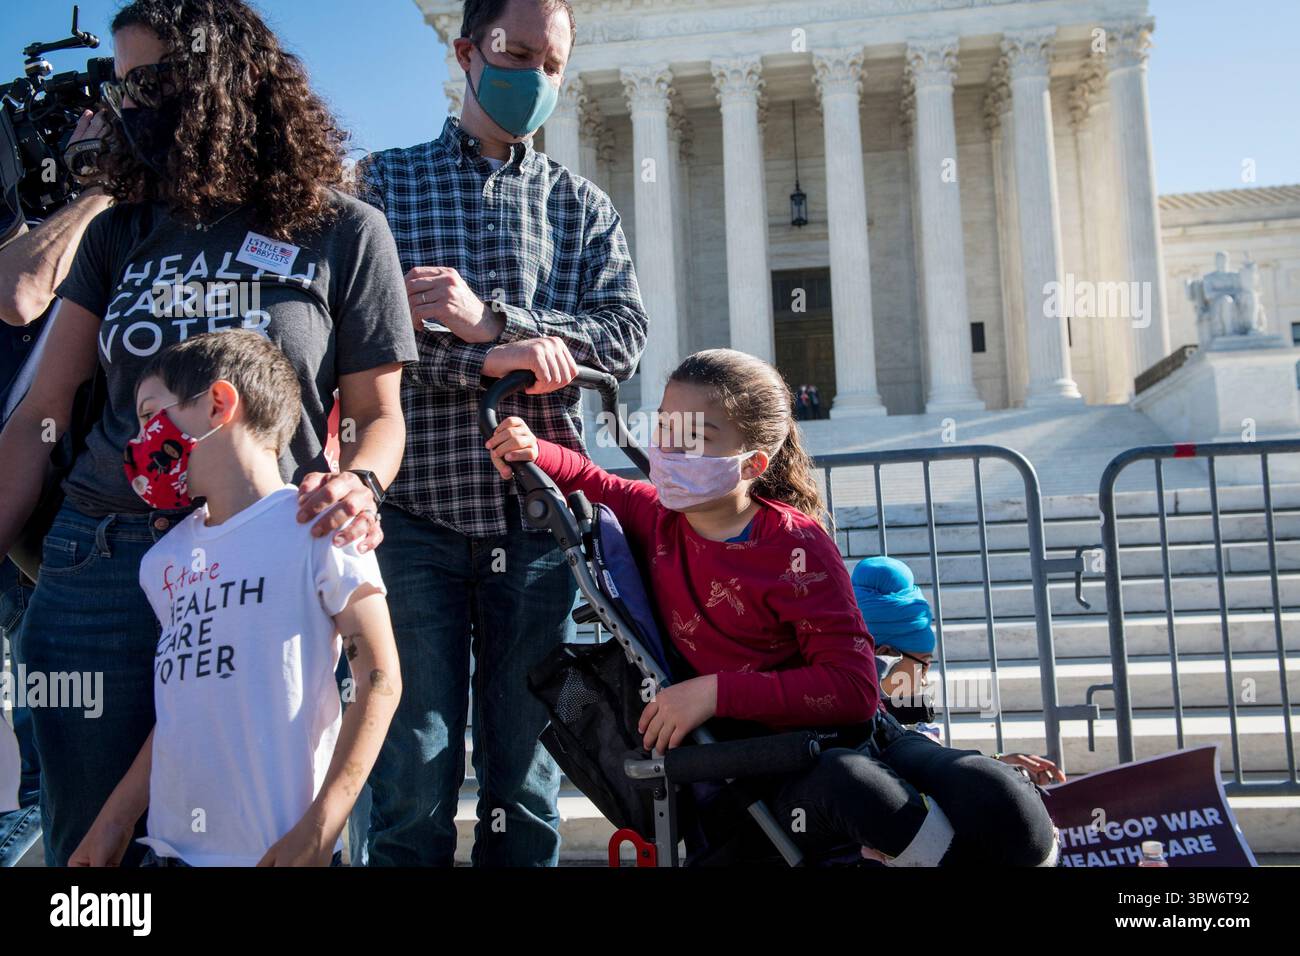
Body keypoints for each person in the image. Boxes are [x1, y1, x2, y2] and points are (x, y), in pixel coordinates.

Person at [0, 0, 418, 866]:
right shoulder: (119, 230)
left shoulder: (344, 229)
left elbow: (379, 417)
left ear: (222, 79)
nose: (125, 107)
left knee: (269, 825)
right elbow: (46, 409)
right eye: (118, 92)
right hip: (98, 562)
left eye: (146, 83)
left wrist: (359, 484)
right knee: (92, 852)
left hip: (266, 559)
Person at [487, 347, 1059, 865]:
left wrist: (713, 691)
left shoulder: (795, 544)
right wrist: (535, 450)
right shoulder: (656, 515)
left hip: (852, 733)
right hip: (761, 772)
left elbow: (855, 692)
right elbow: (589, 476)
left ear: (754, 464)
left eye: (695, 436)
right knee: (853, 785)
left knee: (1005, 802)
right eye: (663, 429)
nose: (667, 450)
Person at [354, 0, 647, 867]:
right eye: (515, 53)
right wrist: (490, 363)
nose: (534, 77)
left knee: (527, 788)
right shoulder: (382, 187)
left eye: (550, 64)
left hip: (538, 530)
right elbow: (362, 344)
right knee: (412, 776)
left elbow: (622, 337)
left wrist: (493, 328)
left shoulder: (580, 205)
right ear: (466, 51)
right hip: (414, 518)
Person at [70, 331, 401, 866]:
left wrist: (321, 826)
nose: (138, 442)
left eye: (151, 413)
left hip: (281, 852)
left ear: (219, 404)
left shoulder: (322, 526)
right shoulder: (163, 561)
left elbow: (380, 679)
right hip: (170, 854)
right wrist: (116, 818)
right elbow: (185, 704)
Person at [853, 555, 1067, 787]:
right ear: (884, 655)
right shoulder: (859, 728)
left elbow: (932, 765)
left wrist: (996, 763)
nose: (924, 679)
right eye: (923, 663)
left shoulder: (890, 716)